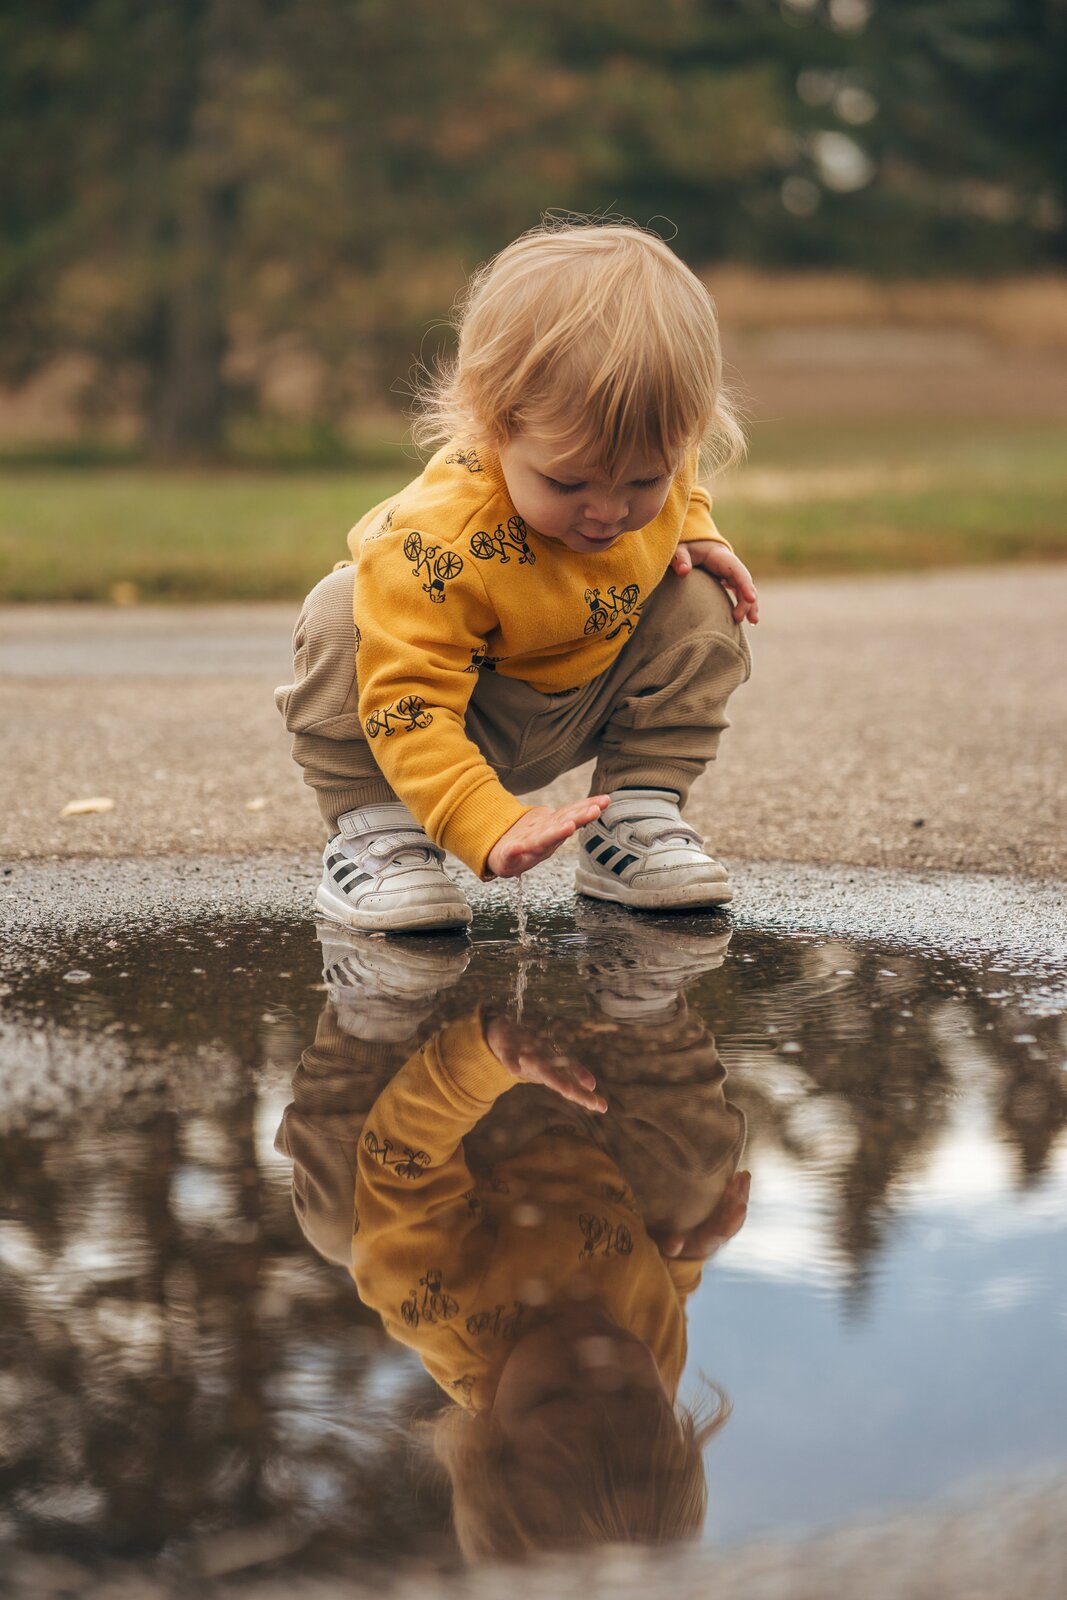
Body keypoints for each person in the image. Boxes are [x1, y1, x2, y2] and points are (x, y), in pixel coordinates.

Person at [275, 218, 758, 932]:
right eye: (567, 483)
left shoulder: (650, 456)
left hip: (582, 692)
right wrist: (485, 823)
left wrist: (694, 530)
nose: (606, 512)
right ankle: (379, 839)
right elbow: (407, 701)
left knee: (698, 598)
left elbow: (681, 483)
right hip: (447, 713)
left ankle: (632, 822)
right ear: (490, 424)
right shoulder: (435, 543)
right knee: (339, 608)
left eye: (641, 481)